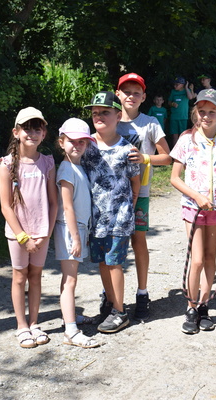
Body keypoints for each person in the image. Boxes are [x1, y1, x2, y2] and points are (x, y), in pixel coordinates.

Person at [170, 89, 216, 334]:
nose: (206, 116)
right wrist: (197, 196)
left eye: (212, 112)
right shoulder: (186, 141)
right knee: (197, 259)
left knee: (211, 259)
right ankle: (190, 308)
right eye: (202, 111)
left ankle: (204, 306)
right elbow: (174, 178)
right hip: (193, 209)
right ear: (195, 113)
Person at [82, 91, 141, 333]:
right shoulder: (86, 146)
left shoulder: (127, 149)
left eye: (105, 112)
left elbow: (135, 182)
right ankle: (109, 304)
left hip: (119, 219)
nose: (99, 116)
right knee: (102, 263)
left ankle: (120, 311)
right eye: (95, 113)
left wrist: (128, 209)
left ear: (118, 116)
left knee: (115, 263)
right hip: (95, 219)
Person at [115, 73, 172, 321]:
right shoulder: (110, 119)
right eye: (126, 91)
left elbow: (167, 157)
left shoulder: (150, 123)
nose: (131, 96)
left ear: (144, 97)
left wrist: (145, 158)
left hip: (141, 193)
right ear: (117, 94)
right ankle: (110, 295)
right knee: (114, 243)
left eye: (136, 93)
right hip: (113, 195)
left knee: (138, 241)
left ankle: (142, 293)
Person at [0, 107, 58, 348]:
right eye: (27, 128)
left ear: (44, 133)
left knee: (35, 276)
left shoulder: (48, 163)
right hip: (18, 235)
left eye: (37, 129)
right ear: (16, 132)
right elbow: (5, 206)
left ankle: (34, 323)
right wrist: (23, 237)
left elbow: (53, 203)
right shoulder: (7, 164)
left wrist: (46, 233)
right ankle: (21, 326)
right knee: (19, 277)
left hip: (42, 233)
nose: (32, 133)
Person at [54, 118, 101, 348]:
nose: (77, 145)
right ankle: (71, 331)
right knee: (70, 279)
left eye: (82, 141)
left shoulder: (77, 166)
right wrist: (75, 237)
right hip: (69, 229)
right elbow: (67, 207)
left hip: (79, 228)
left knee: (71, 278)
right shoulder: (66, 169)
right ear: (61, 142)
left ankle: (69, 316)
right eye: (72, 141)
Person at [168, 76, 195, 148]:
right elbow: (169, 102)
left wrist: (186, 88)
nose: (175, 86)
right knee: (174, 135)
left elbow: (190, 97)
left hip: (183, 117)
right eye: (174, 84)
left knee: (183, 135)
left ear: (182, 84)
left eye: (177, 84)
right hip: (174, 117)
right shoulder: (173, 92)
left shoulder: (186, 91)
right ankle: (175, 151)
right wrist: (172, 104)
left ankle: (182, 149)